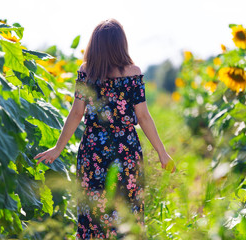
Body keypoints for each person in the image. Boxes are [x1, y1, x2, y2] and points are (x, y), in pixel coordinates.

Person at [34, 18, 175, 240]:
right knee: (128, 212)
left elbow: (76, 114)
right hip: (126, 151)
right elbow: (144, 117)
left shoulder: (87, 72)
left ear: (95, 44)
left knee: (93, 214)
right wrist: (162, 152)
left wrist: (57, 148)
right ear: (121, 44)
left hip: (93, 151)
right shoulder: (133, 73)